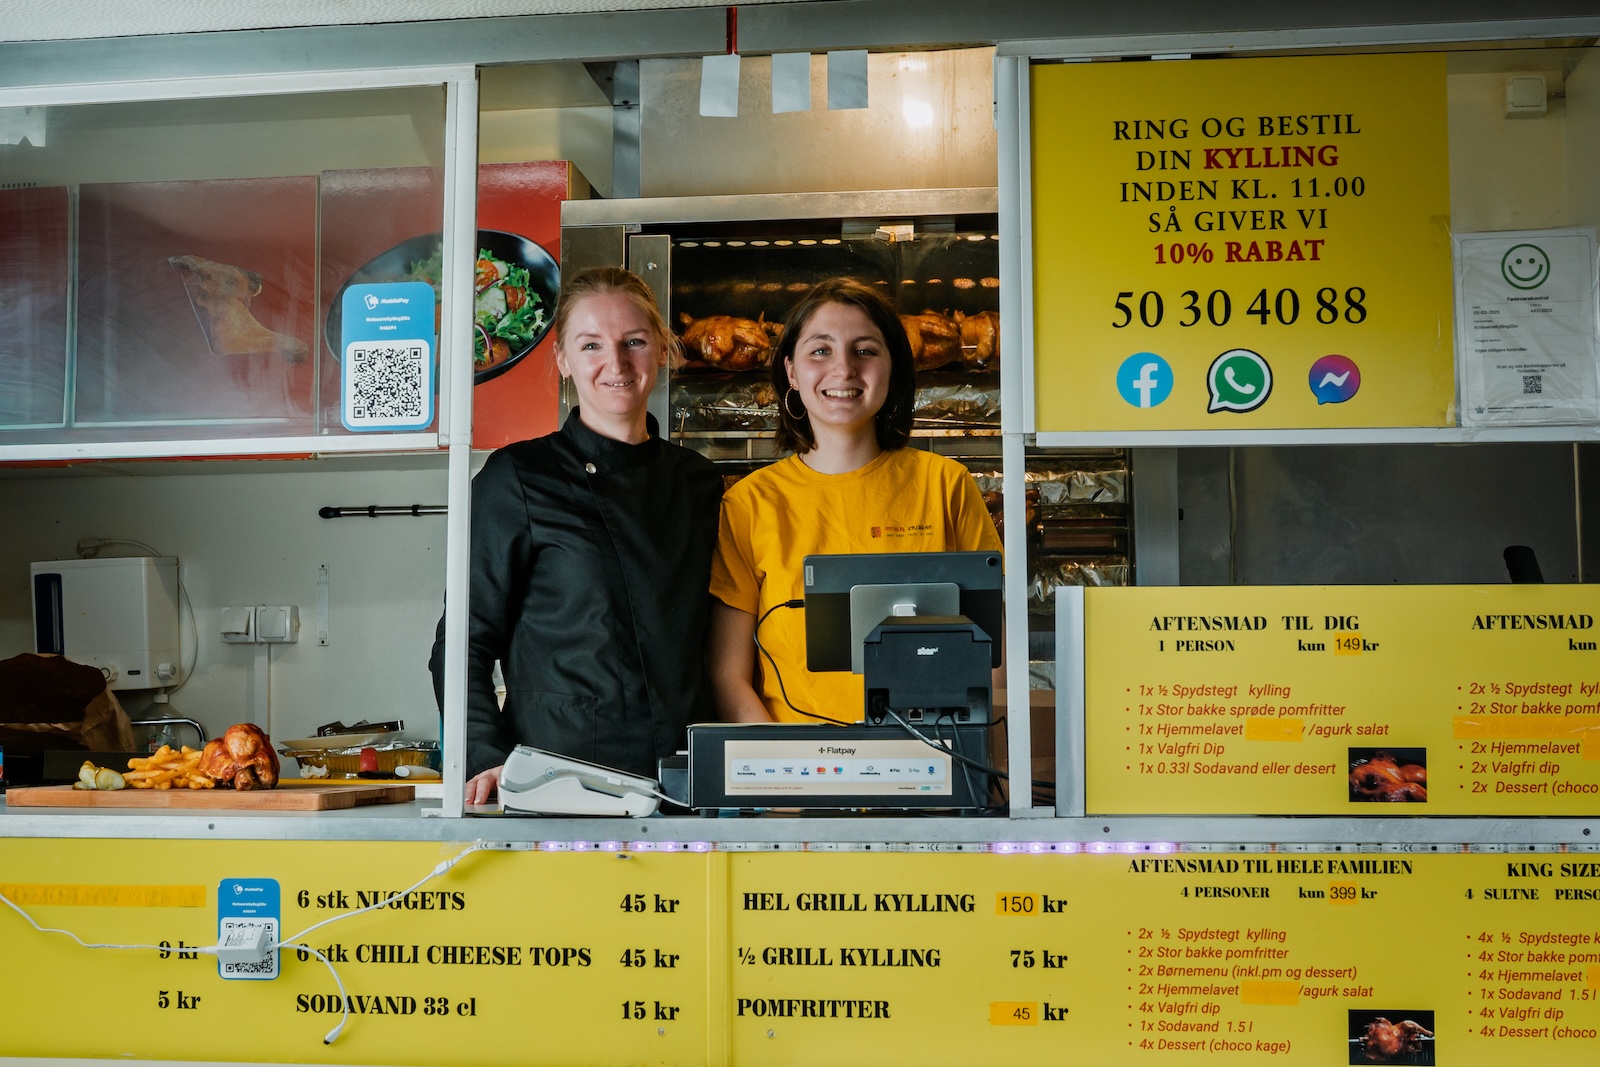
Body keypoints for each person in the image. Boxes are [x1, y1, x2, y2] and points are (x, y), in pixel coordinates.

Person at [429, 267, 722, 803]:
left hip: (690, 781)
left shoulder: (699, 482)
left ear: (660, 348)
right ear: (563, 359)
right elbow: (462, 642)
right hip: (560, 783)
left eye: (633, 341)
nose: (616, 362)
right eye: (591, 345)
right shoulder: (517, 477)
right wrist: (485, 755)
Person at [706, 277, 1002, 725]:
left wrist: (985, 772)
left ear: (894, 368)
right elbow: (728, 675)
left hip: (934, 771)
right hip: (800, 774)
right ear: (791, 372)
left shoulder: (946, 485)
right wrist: (786, 787)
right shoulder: (749, 504)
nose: (843, 369)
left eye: (865, 350)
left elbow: (993, 657)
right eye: (820, 350)